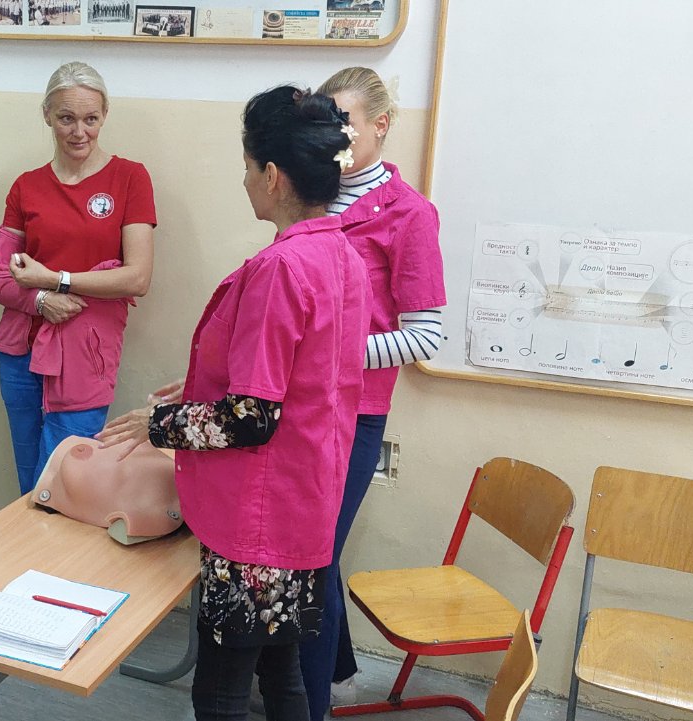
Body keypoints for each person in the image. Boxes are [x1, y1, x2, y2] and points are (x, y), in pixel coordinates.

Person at [98, 85, 368, 721]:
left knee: (221, 690)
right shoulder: (342, 255)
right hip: (305, 497)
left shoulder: (281, 269)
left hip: (258, 519)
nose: (244, 180)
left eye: (247, 167)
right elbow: (304, 382)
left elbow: (251, 418)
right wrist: (201, 385)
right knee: (281, 671)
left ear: (272, 176)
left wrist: (160, 425)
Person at [300, 66, 448, 717]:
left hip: (352, 414)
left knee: (310, 560)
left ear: (381, 124)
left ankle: (310, 703)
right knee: (311, 550)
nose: (331, 136)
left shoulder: (409, 214)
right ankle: (336, 676)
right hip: (296, 406)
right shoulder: (311, 193)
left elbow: (425, 335)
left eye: (345, 122)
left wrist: (331, 356)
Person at [0, 61, 157, 495]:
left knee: (63, 484)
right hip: (20, 353)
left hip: (85, 355)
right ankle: (24, 544)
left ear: (105, 115)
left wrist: (55, 280)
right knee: (29, 483)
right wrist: (40, 300)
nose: (80, 132)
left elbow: (137, 278)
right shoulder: (27, 186)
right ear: (47, 115)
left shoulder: (130, 178)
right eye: (66, 118)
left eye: (90, 119)